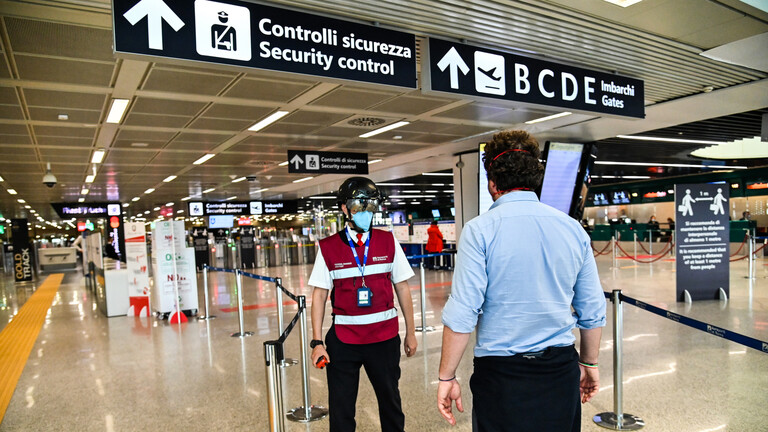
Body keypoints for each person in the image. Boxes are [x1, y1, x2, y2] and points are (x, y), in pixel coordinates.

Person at [436, 130, 606, 432]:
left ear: (492, 183)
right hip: (560, 370)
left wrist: (447, 376)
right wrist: (589, 363)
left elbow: (463, 312)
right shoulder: (572, 229)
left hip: (501, 376)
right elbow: (592, 308)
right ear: (535, 178)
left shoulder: (479, 231)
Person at [309, 176, 418, 432]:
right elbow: (319, 296)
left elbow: (402, 287)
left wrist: (411, 332)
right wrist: (317, 342)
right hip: (344, 341)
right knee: (341, 410)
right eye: (359, 205)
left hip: (384, 339)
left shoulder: (388, 241)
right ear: (344, 208)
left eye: (371, 205)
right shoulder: (328, 248)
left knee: (391, 404)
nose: (366, 211)